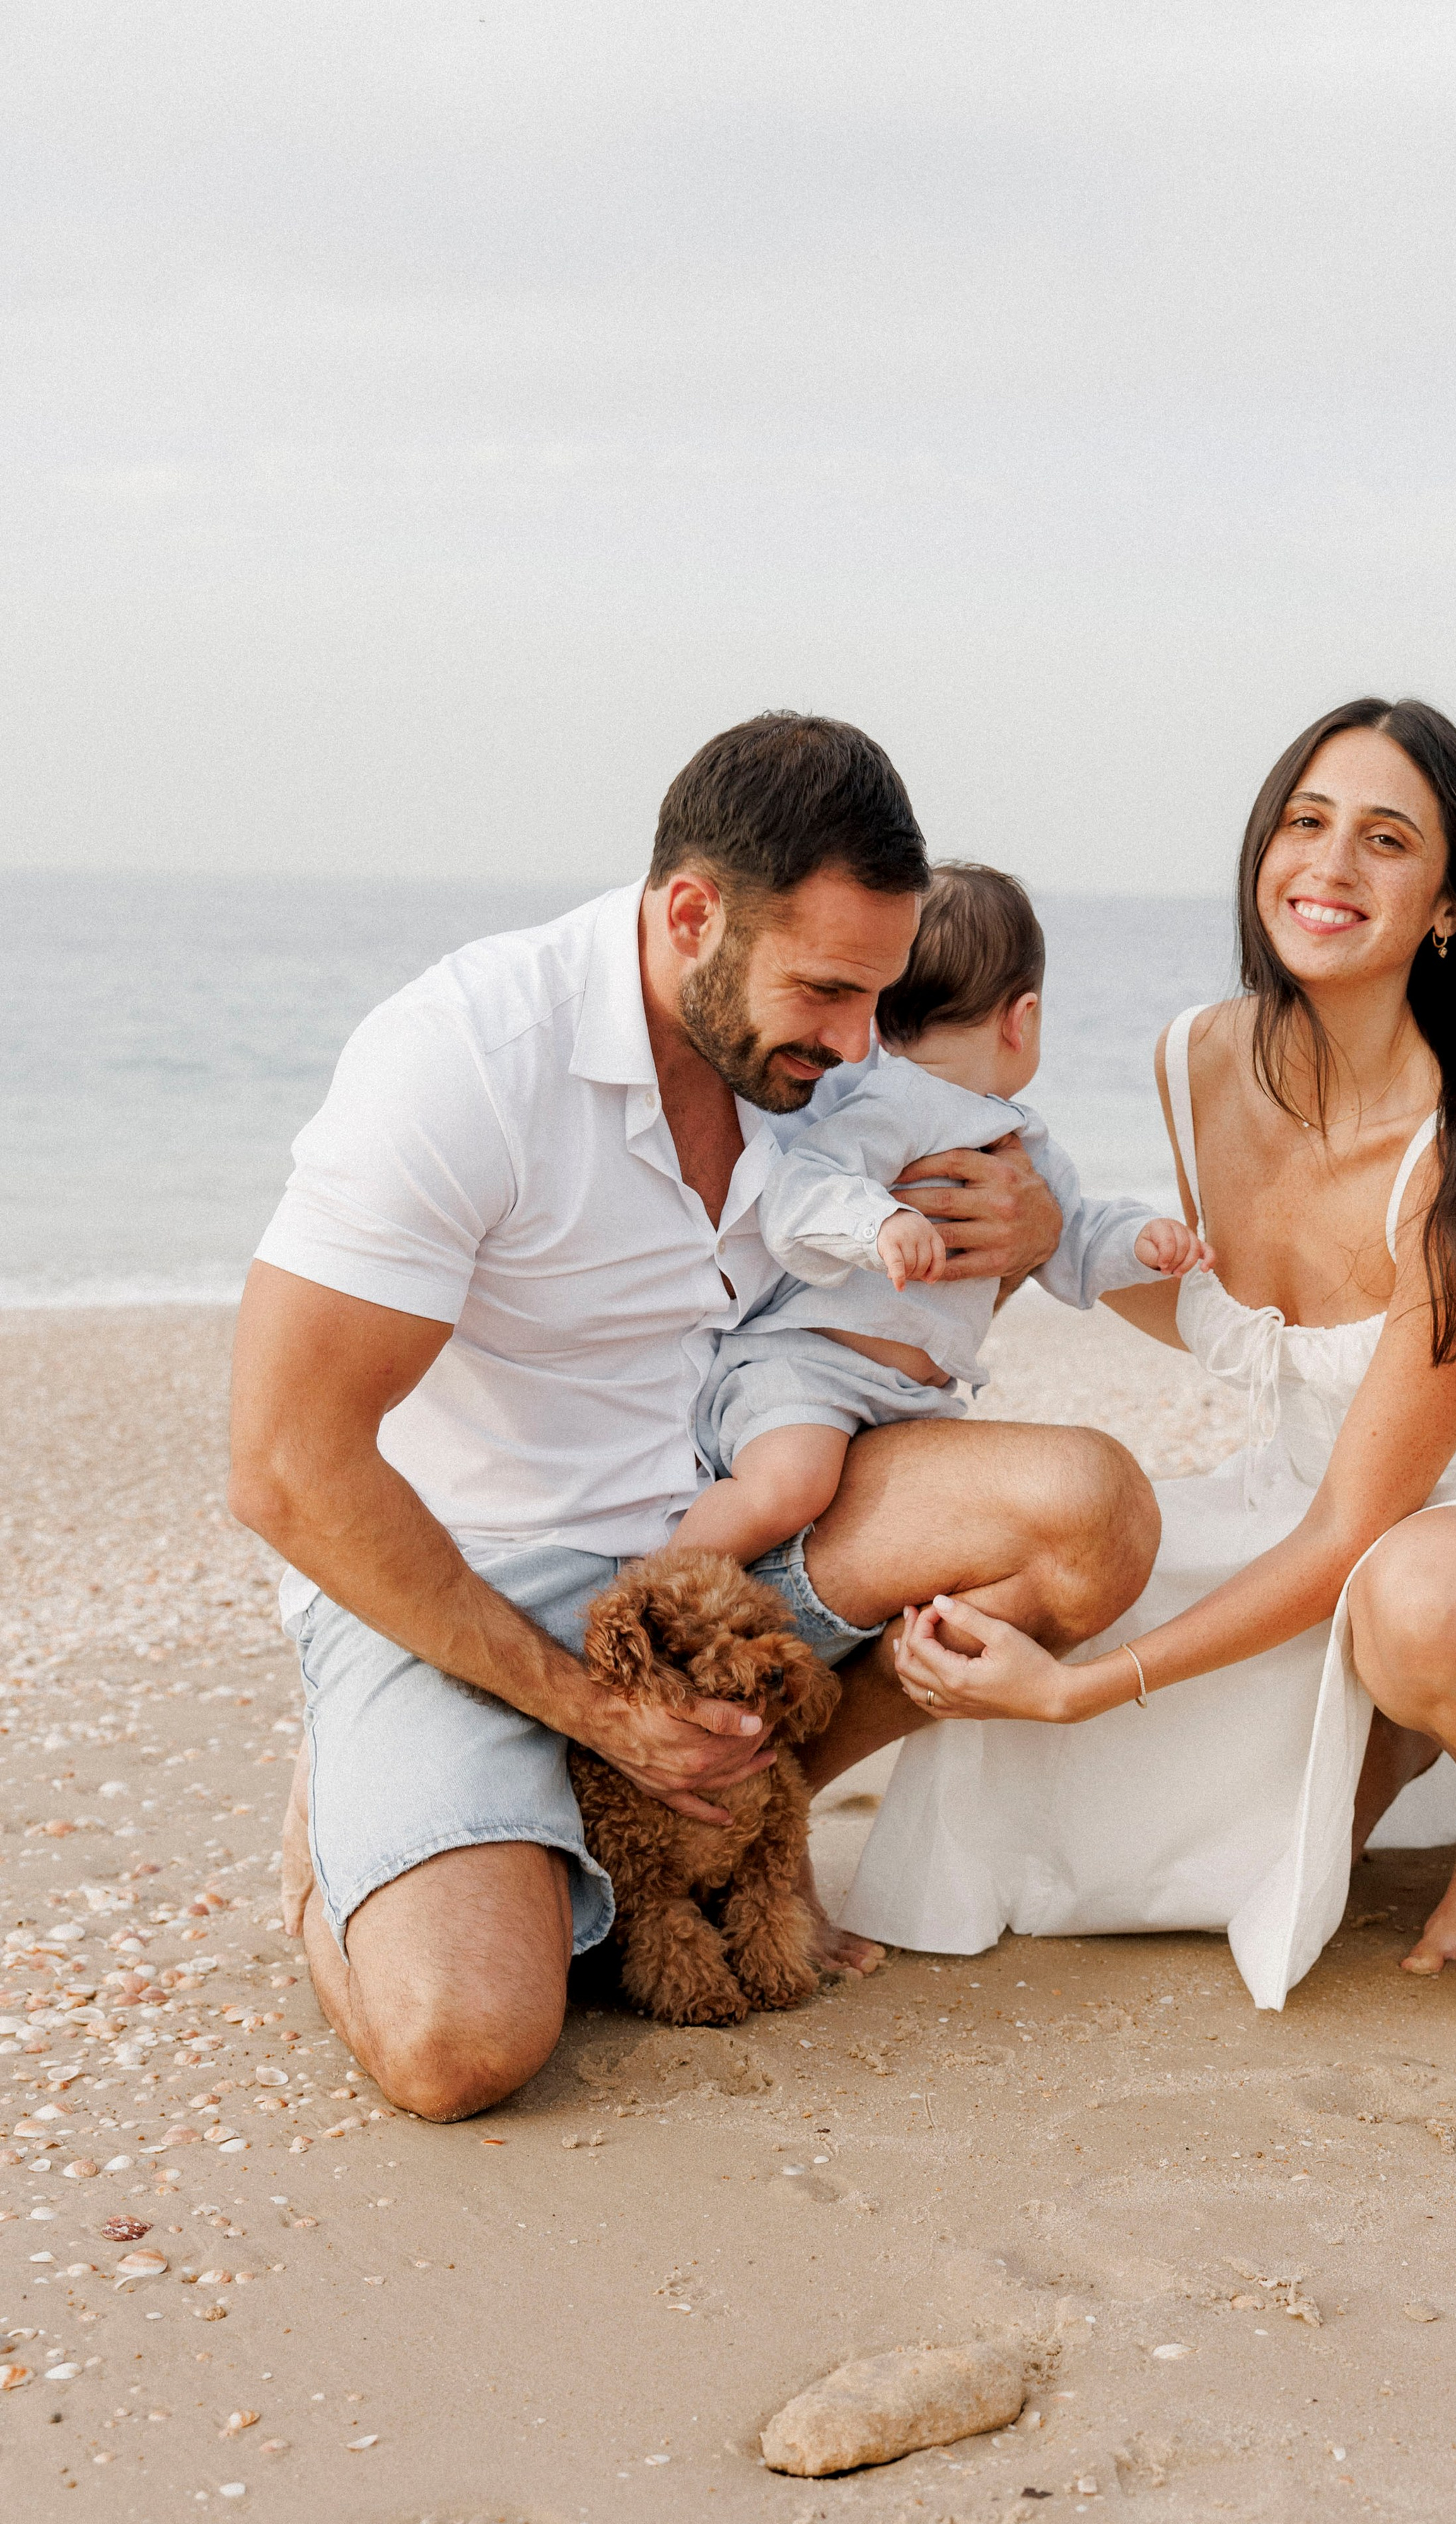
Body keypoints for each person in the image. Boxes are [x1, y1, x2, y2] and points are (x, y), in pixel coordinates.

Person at [228, 714, 1159, 2120]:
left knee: (1088, 1514)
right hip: (473, 1581)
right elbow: (285, 1466)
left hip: (733, 1556)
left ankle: (722, 1811)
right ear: (689, 914)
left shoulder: (817, 1071)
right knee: (462, 2046)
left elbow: (938, 1252)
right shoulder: (466, 1054)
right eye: (831, 992)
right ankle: (339, 1840)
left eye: (883, 998)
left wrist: (1028, 1225)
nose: (856, 1045)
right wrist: (595, 1711)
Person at [863, 697, 1456, 2044]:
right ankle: (1380, 1733)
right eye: (1306, 822)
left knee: (1402, 1602)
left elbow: (1364, 1524)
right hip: (1292, 1509)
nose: (1330, 866)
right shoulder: (1196, 1056)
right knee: (1016, 1651)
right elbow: (1240, 1327)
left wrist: (1086, 1693)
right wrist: (1050, 1234)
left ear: (1446, 907)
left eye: (1384, 840)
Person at [671, 862, 1204, 1566]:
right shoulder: (897, 1103)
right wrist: (879, 1224)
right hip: (806, 1369)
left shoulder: (1019, 1136)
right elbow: (800, 1192)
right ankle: (656, 1589)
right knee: (789, 1486)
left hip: (903, 1399)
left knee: (917, 1529)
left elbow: (1070, 1234)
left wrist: (1138, 1236)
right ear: (1023, 1020)